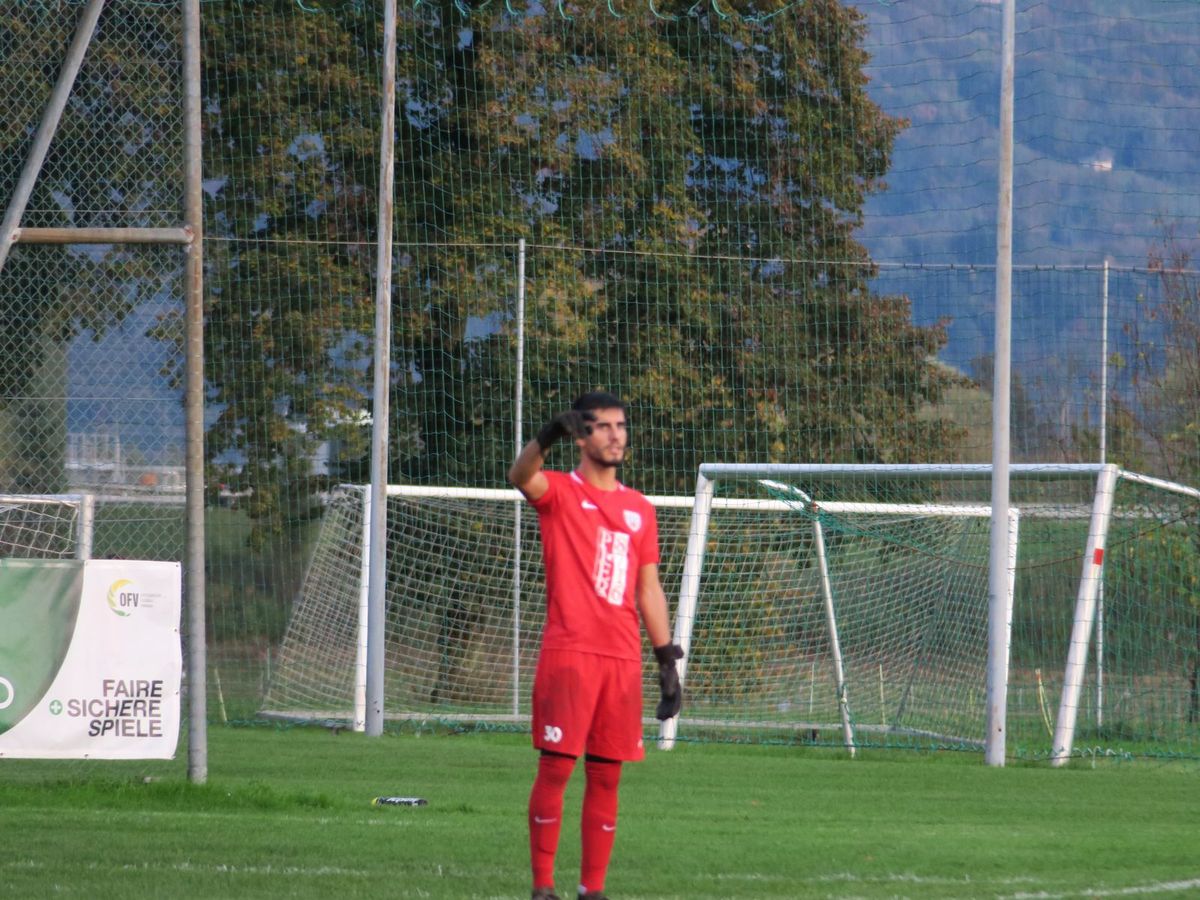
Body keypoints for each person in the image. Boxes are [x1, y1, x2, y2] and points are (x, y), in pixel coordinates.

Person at [508, 390, 684, 900]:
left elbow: (648, 587)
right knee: (558, 767)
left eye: (621, 426)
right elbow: (520, 477)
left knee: (607, 777)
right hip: (570, 655)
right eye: (603, 426)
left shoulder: (639, 510)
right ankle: (543, 888)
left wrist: (666, 659)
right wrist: (545, 438)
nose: (615, 435)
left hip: (621, 662)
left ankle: (593, 891)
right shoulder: (560, 493)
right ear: (582, 436)